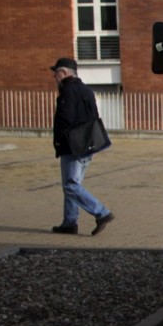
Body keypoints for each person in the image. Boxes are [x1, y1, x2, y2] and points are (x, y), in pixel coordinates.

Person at [50, 57, 115, 236]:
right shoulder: (86, 90)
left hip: (72, 146)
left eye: (56, 73)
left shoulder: (68, 91)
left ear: (63, 73)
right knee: (73, 184)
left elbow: (65, 118)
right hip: (88, 143)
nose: (54, 78)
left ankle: (101, 213)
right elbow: (93, 115)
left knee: (71, 185)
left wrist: (58, 140)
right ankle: (69, 222)